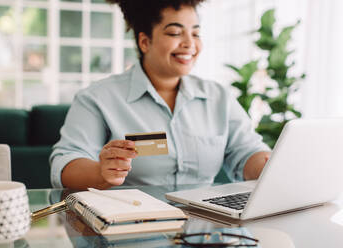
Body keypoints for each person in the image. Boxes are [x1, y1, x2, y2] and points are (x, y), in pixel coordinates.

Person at [50, 0, 271, 190]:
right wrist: (101, 172)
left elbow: (246, 153)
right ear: (145, 42)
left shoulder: (218, 97)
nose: (190, 44)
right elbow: (65, 164)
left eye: (196, 33)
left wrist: (269, 166)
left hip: (203, 227)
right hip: (131, 228)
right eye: (175, 33)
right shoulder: (97, 98)